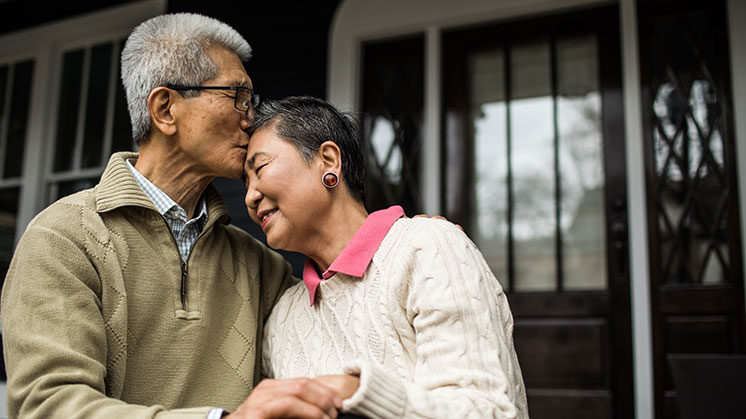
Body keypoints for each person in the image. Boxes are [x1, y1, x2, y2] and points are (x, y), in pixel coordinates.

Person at [1, 13, 344, 419]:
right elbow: (47, 407)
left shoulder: (258, 265)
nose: (251, 118)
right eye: (237, 96)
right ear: (166, 109)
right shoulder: (62, 239)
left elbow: (345, 329)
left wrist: (403, 243)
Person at [245, 96, 529, 419]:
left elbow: (486, 411)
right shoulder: (282, 320)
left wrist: (355, 392)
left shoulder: (427, 250)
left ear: (328, 160)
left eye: (260, 168)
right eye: (245, 181)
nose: (250, 196)